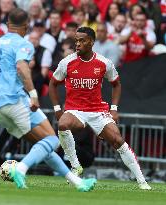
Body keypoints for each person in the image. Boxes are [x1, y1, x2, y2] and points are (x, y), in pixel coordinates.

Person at [0, 8, 96, 192]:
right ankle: (20, 169)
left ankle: (77, 182)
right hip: (15, 100)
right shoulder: (24, 44)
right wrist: (33, 94)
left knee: (44, 145)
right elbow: (22, 67)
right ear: (27, 25)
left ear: (7, 25)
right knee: (53, 141)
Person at [49, 26, 151, 190]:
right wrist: (56, 109)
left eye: (82, 40)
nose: (78, 44)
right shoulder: (67, 62)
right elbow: (53, 84)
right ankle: (76, 166)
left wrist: (114, 108)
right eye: (76, 40)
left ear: (91, 42)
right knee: (62, 124)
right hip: (75, 110)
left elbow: (116, 84)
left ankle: (142, 181)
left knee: (118, 141)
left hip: (97, 111)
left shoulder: (104, 62)